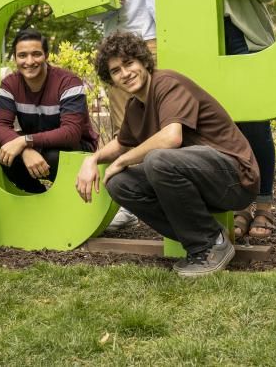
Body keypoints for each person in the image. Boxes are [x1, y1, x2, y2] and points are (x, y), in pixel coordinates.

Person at [119, 0, 276, 240]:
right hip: (202, 39)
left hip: (241, 36)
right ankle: (239, 206)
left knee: (255, 123)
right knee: (222, 125)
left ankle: (265, 205)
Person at [76, 32, 259, 277]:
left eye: (129, 63)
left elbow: (171, 138)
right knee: (119, 183)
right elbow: (121, 143)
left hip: (235, 178)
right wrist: (93, 159)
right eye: (116, 71)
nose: (125, 73)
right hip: (199, 181)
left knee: (157, 159)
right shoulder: (135, 106)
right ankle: (207, 238)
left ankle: (208, 245)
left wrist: (121, 161)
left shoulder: (167, 83)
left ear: (143, 61)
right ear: (112, 80)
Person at [86, 0, 174, 230]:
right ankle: (133, 200)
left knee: (163, 121)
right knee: (128, 126)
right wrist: (108, 3)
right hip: (117, 46)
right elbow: (88, 11)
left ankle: (166, 191)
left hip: (153, 40)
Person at [0, 29, 98, 193]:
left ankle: (70, 200)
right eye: (22, 55)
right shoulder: (10, 84)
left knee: (52, 156)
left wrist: (24, 141)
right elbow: (0, 127)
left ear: (46, 55)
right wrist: (25, 150)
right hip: (37, 146)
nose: (29, 61)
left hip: (76, 149)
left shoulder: (68, 82)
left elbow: (71, 133)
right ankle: (38, 197)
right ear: (15, 58)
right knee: (6, 156)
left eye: (36, 54)